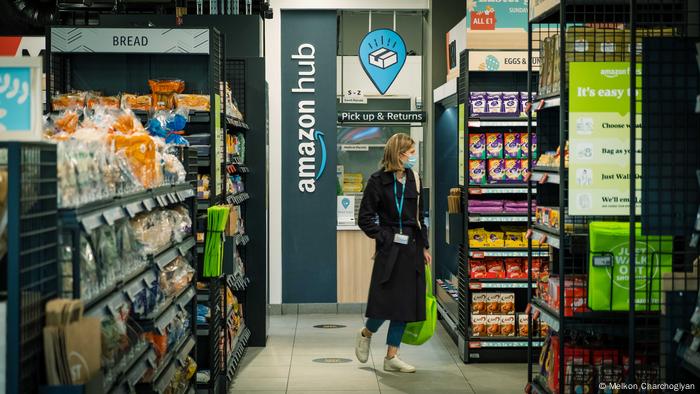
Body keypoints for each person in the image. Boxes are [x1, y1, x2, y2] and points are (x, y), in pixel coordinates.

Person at [354, 133, 431, 373]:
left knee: (405, 305)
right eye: (410, 152)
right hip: (389, 250)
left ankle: (392, 356)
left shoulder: (415, 179)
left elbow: (420, 217)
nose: (413, 156)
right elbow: (365, 218)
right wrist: (385, 238)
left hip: (412, 249)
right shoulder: (377, 181)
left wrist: (424, 246)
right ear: (398, 154)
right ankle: (366, 332)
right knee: (384, 302)